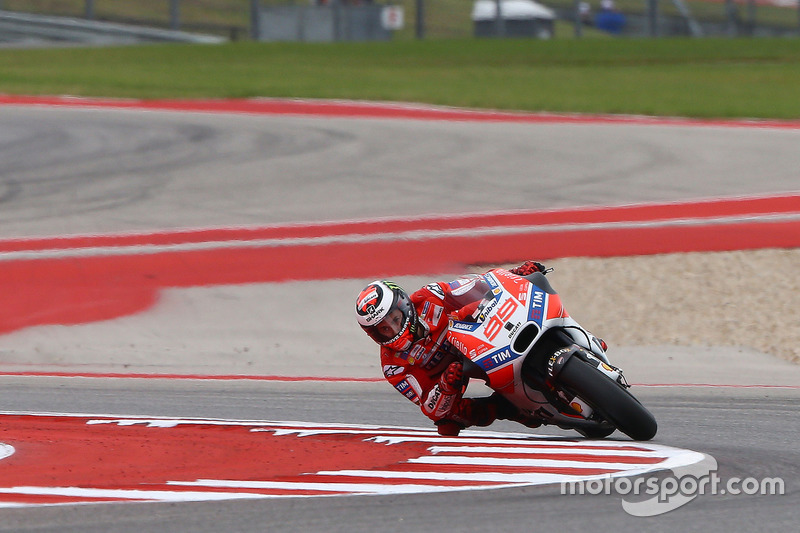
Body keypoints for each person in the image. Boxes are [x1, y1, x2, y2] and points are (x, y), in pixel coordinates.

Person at [354, 260, 550, 436]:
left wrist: (515, 273)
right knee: (447, 422)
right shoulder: (393, 366)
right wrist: (446, 386)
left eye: (396, 319)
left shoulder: (428, 296)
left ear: (404, 305)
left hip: (477, 341)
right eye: (384, 329)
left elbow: (476, 285)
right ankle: (506, 408)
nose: (395, 329)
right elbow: (429, 407)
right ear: (373, 334)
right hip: (449, 377)